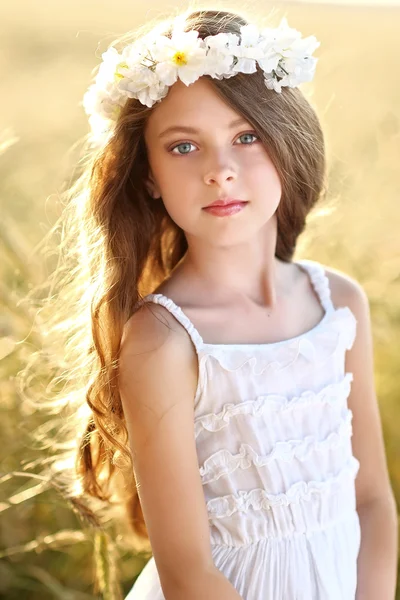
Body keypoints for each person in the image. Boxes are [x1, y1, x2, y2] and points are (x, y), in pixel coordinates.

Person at [33, 6, 397, 600]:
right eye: (183, 147)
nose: (220, 171)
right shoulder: (164, 341)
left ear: (287, 145)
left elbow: (373, 502)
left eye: (246, 137)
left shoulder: (339, 306)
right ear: (147, 174)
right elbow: (188, 572)